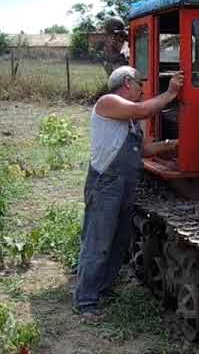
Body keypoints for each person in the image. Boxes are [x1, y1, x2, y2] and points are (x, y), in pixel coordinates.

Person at [73, 65, 183, 316]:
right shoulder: (108, 102)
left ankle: (102, 289)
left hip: (125, 185)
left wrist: (173, 145)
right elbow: (143, 109)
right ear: (126, 83)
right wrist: (170, 94)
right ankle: (85, 300)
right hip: (106, 184)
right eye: (139, 87)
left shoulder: (131, 121)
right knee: (98, 242)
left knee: (119, 241)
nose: (142, 93)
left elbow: (145, 150)